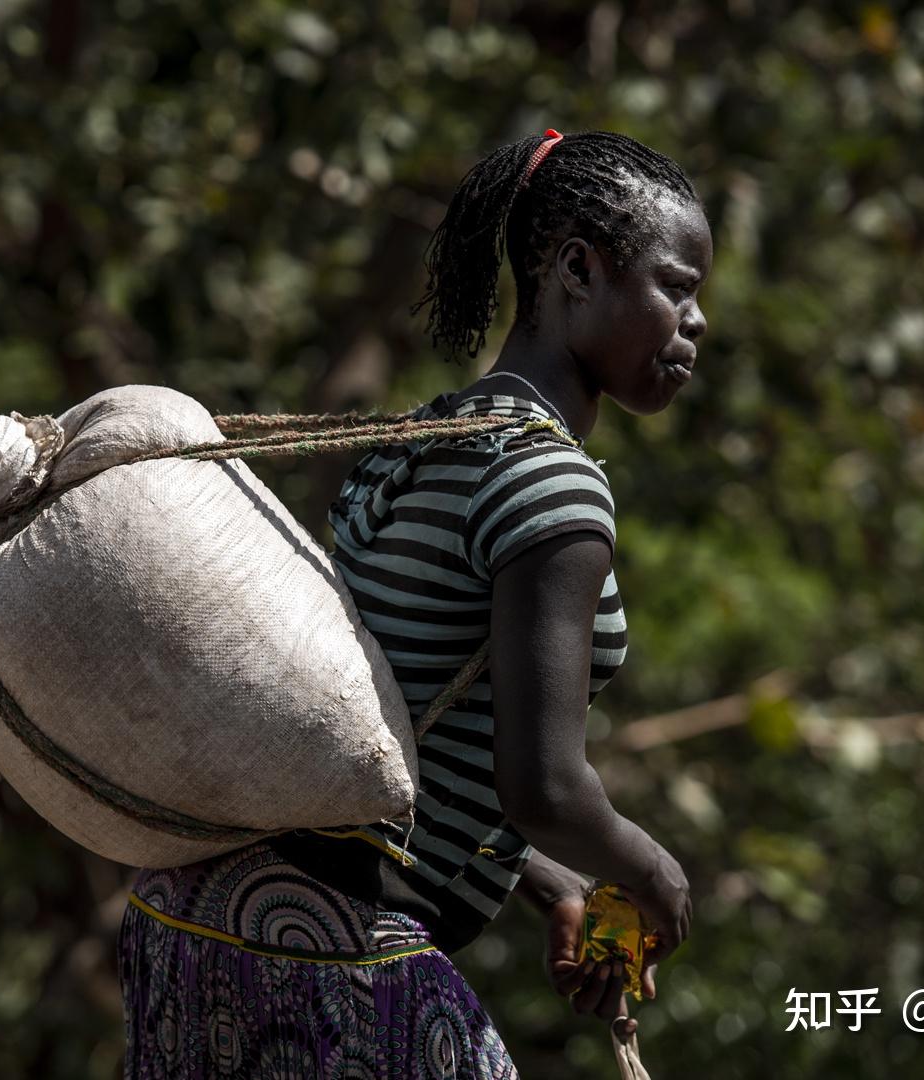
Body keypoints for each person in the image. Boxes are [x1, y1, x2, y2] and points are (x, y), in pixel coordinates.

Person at [117, 128, 711, 1079]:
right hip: (329, 953)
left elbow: (389, 724)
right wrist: (656, 875)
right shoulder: (555, 488)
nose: (697, 321)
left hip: (191, 921)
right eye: (676, 287)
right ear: (578, 270)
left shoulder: (419, 437)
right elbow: (545, 788)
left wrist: (549, 881)